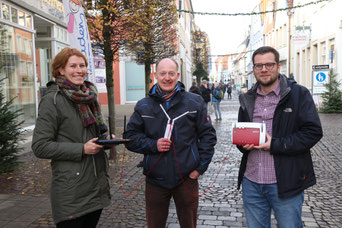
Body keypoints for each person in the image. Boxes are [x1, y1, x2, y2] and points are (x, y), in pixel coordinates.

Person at [236, 46, 323, 228]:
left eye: (269, 64)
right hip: (252, 181)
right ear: (253, 69)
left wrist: (274, 144)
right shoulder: (248, 98)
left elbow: (312, 132)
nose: (264, 69)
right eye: (259, 65)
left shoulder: (298, 94)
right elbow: (243, 134)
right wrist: (243, 143)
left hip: (285, 181)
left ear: (278, 66)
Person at [124, 58, 217, 228]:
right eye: (163, 73)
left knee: (189, 225)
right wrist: (153, 144)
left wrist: (199, 168)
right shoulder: (144, 105)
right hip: (155, 179)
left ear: (178, 75)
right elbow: (130, 138)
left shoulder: (194, 102)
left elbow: (208, 136)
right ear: (155, 75)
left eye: (171, 73)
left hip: (186, 178)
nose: (167, 78)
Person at [31, 47, 112, 228]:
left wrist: (105, 140)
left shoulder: (88, 95)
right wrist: (82, 149)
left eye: (82, 65)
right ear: (61, 69)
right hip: (71, 191)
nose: (79, 70)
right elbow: (40, 146)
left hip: (95, 186)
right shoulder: (53, 100)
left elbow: (90, 135)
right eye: (73, 66)